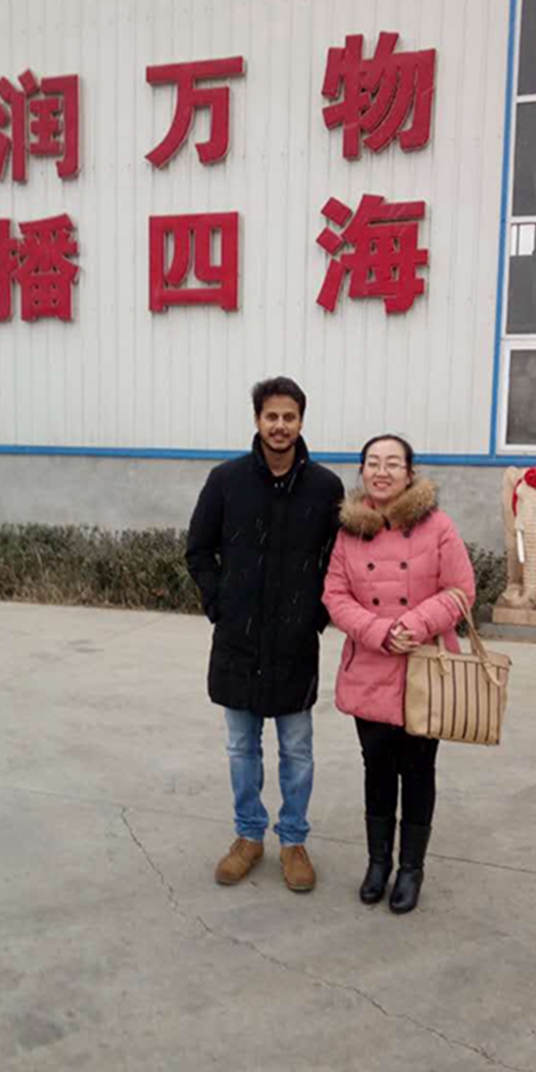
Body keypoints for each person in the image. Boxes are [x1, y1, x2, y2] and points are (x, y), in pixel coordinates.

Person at [186, 377, 345, 893]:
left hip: (295, 642)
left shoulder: (325, 487)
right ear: (257, 420)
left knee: (297, 748)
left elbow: (339, 561)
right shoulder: (226, 480)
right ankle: (248, 836)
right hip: (238, 641)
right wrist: (221, 605)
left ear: (301, 422)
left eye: (289, 417)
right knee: (241, 746)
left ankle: (293, 841)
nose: (280, 426)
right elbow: (198, 550)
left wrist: (316, 615)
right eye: (271, 416)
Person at [322, 435, 475, 914]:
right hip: (370, 665)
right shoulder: (349, 533)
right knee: (377, 769)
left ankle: (411, 868)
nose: (382, 471)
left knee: (419, 770)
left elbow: (461, 589)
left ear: (410, 473)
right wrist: (380, 632)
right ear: (362, 471)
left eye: (393, 463)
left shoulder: (438, 526)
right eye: (373, 463)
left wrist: (415, 624)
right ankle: (377, 863)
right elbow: (334, 596)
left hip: (425, 667)